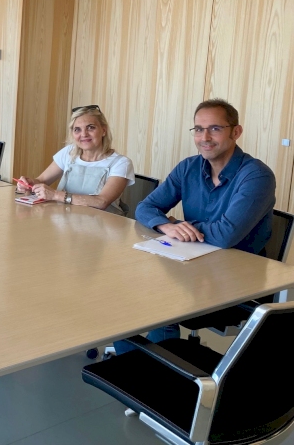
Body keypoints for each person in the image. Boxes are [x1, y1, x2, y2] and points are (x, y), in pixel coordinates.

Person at [116, 98, 276, 354]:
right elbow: (145, 208)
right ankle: (138, 366)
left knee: (154, 297)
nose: (205, 137)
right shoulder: (189, 167)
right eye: (199, 129)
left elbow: (226, 235)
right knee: (121, 284)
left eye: (215, 128)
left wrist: (178, 223)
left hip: (237, 281)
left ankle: (162, 366)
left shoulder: (256, 175)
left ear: (236, 131)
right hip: (191, 266)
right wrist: (165, 226)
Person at [15, 105, 134, 214]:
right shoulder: (68, 152)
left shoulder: (121, 163)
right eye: (77, 129)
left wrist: (56, 195)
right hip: (65, 220)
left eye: (90, 128)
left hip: (102, 227)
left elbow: (101, 202)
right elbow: (42, 180)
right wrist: (29, 184)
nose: (84, 134)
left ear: (104, 130)